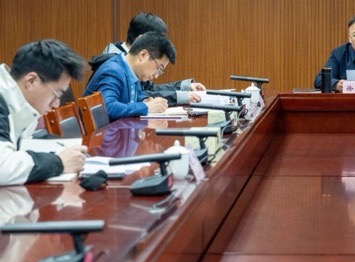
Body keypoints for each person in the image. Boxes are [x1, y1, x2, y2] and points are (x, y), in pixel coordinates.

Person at [0, 40, 88, 185]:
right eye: (56, 94)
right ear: (31, 81)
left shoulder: (21, 104)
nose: (56, 104)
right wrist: (59, 162)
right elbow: (2, 167)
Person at [89, 12, 205, 104]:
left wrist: (183, 87)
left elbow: (146, 91)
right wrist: (146, 106)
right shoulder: (113, 67)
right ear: (141, 40)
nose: (162, 44)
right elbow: (109, 106)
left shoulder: (130, 63)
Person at [84, 32, 175, 121]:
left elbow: (135, 94)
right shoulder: (112, 71)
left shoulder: (131, 70)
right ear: (143, 55)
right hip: (104, 131)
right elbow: (107, 108)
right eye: (158, 68)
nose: (156, 75)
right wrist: (146, 107)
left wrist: (144, 100)